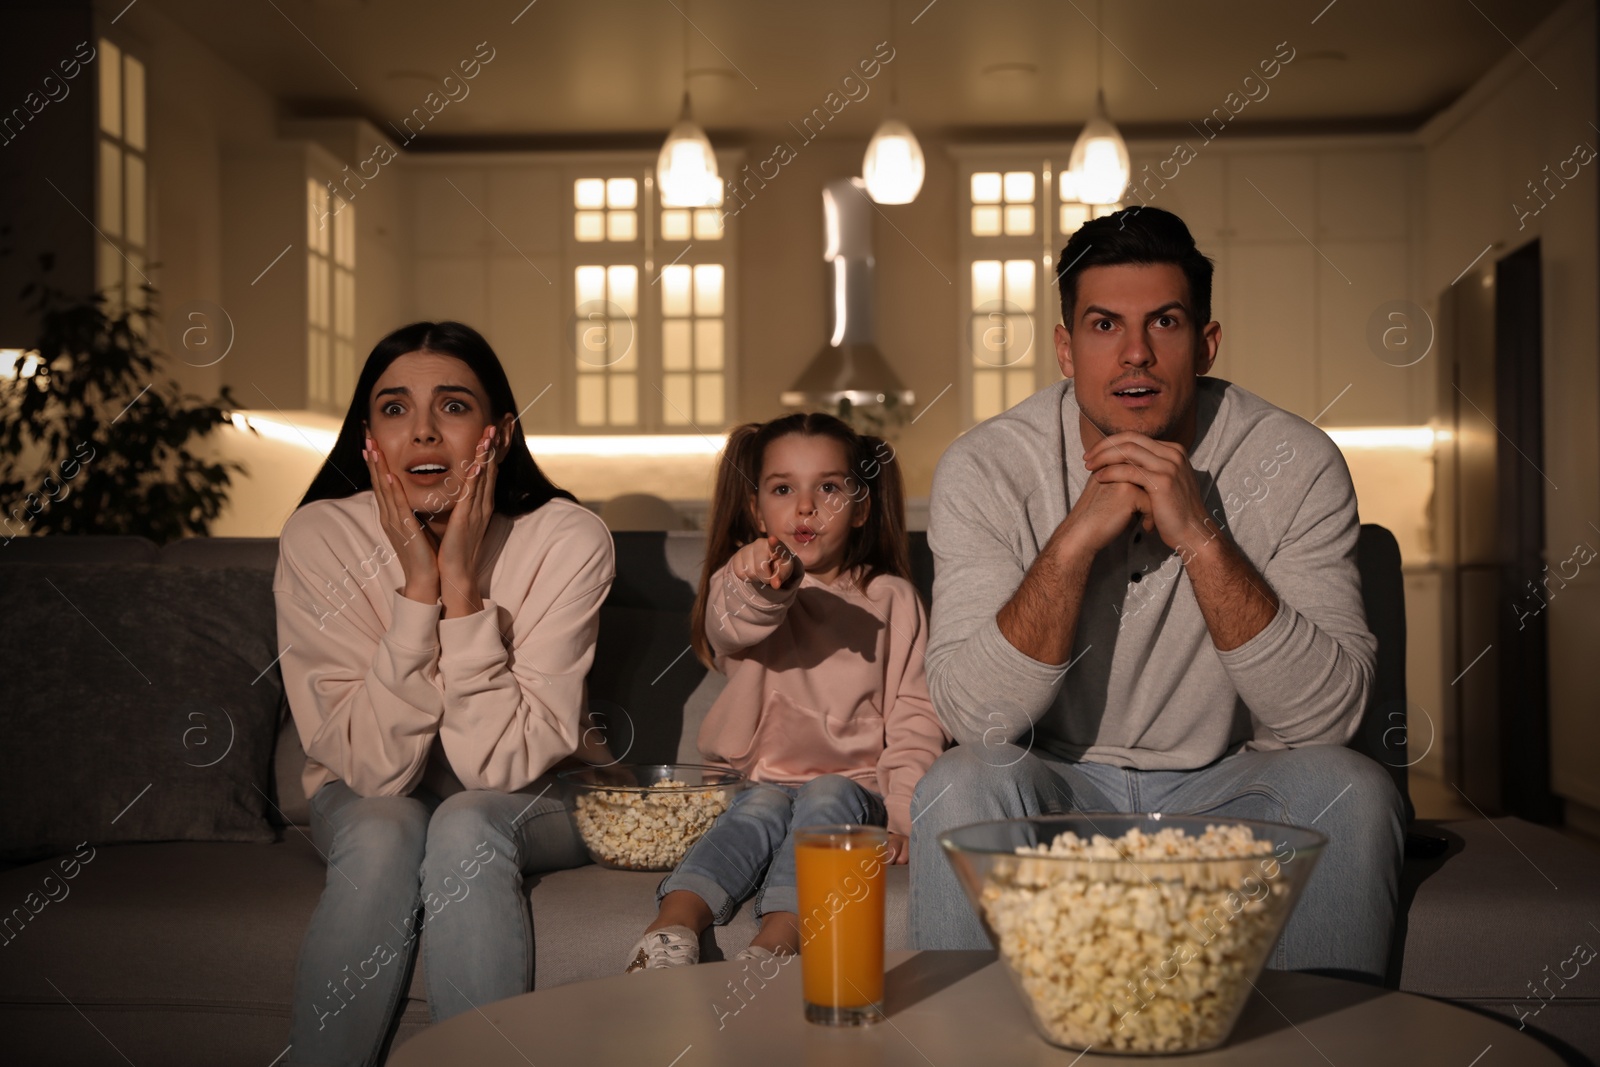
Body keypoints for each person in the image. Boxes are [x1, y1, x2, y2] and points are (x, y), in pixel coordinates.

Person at [909, 207, 1405, 981]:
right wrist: (1074, 540)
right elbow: (979, 718)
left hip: (1228, 785)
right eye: (1105, 324)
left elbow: (1325, 717)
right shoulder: (986, 467)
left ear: (1205, 343)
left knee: (1355, 791)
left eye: (1164, 322)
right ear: (1066, 350)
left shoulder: (1297, 461)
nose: (1136, 353)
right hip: (1059, 785)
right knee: (958, 781)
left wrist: (1201, 536)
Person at [275, 321, 615, 1066]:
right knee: (385, 824)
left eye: (453, 406)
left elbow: (501, 770)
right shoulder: (317, 538)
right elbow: (372, 772)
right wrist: (415, 591)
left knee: (465, 819)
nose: (423, 431)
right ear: (367, 435)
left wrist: (461, 593)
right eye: (394, 409)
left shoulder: (567, 538)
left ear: (498, 432)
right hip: (367, 790)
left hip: (535, 789)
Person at [625, 413, 947, 971]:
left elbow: (916, 718)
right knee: (761, 807)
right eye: (782, 489)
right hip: (754, 784)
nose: (806, 507)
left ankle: (775, 943)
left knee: (826, 793)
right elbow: (734, 625)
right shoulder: (743, 583)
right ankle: (669, 927)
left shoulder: (893, 598)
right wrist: (762, 582)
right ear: (756, 510)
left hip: (853, 790)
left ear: (862, 505)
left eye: (829, 487)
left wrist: (901, 818)